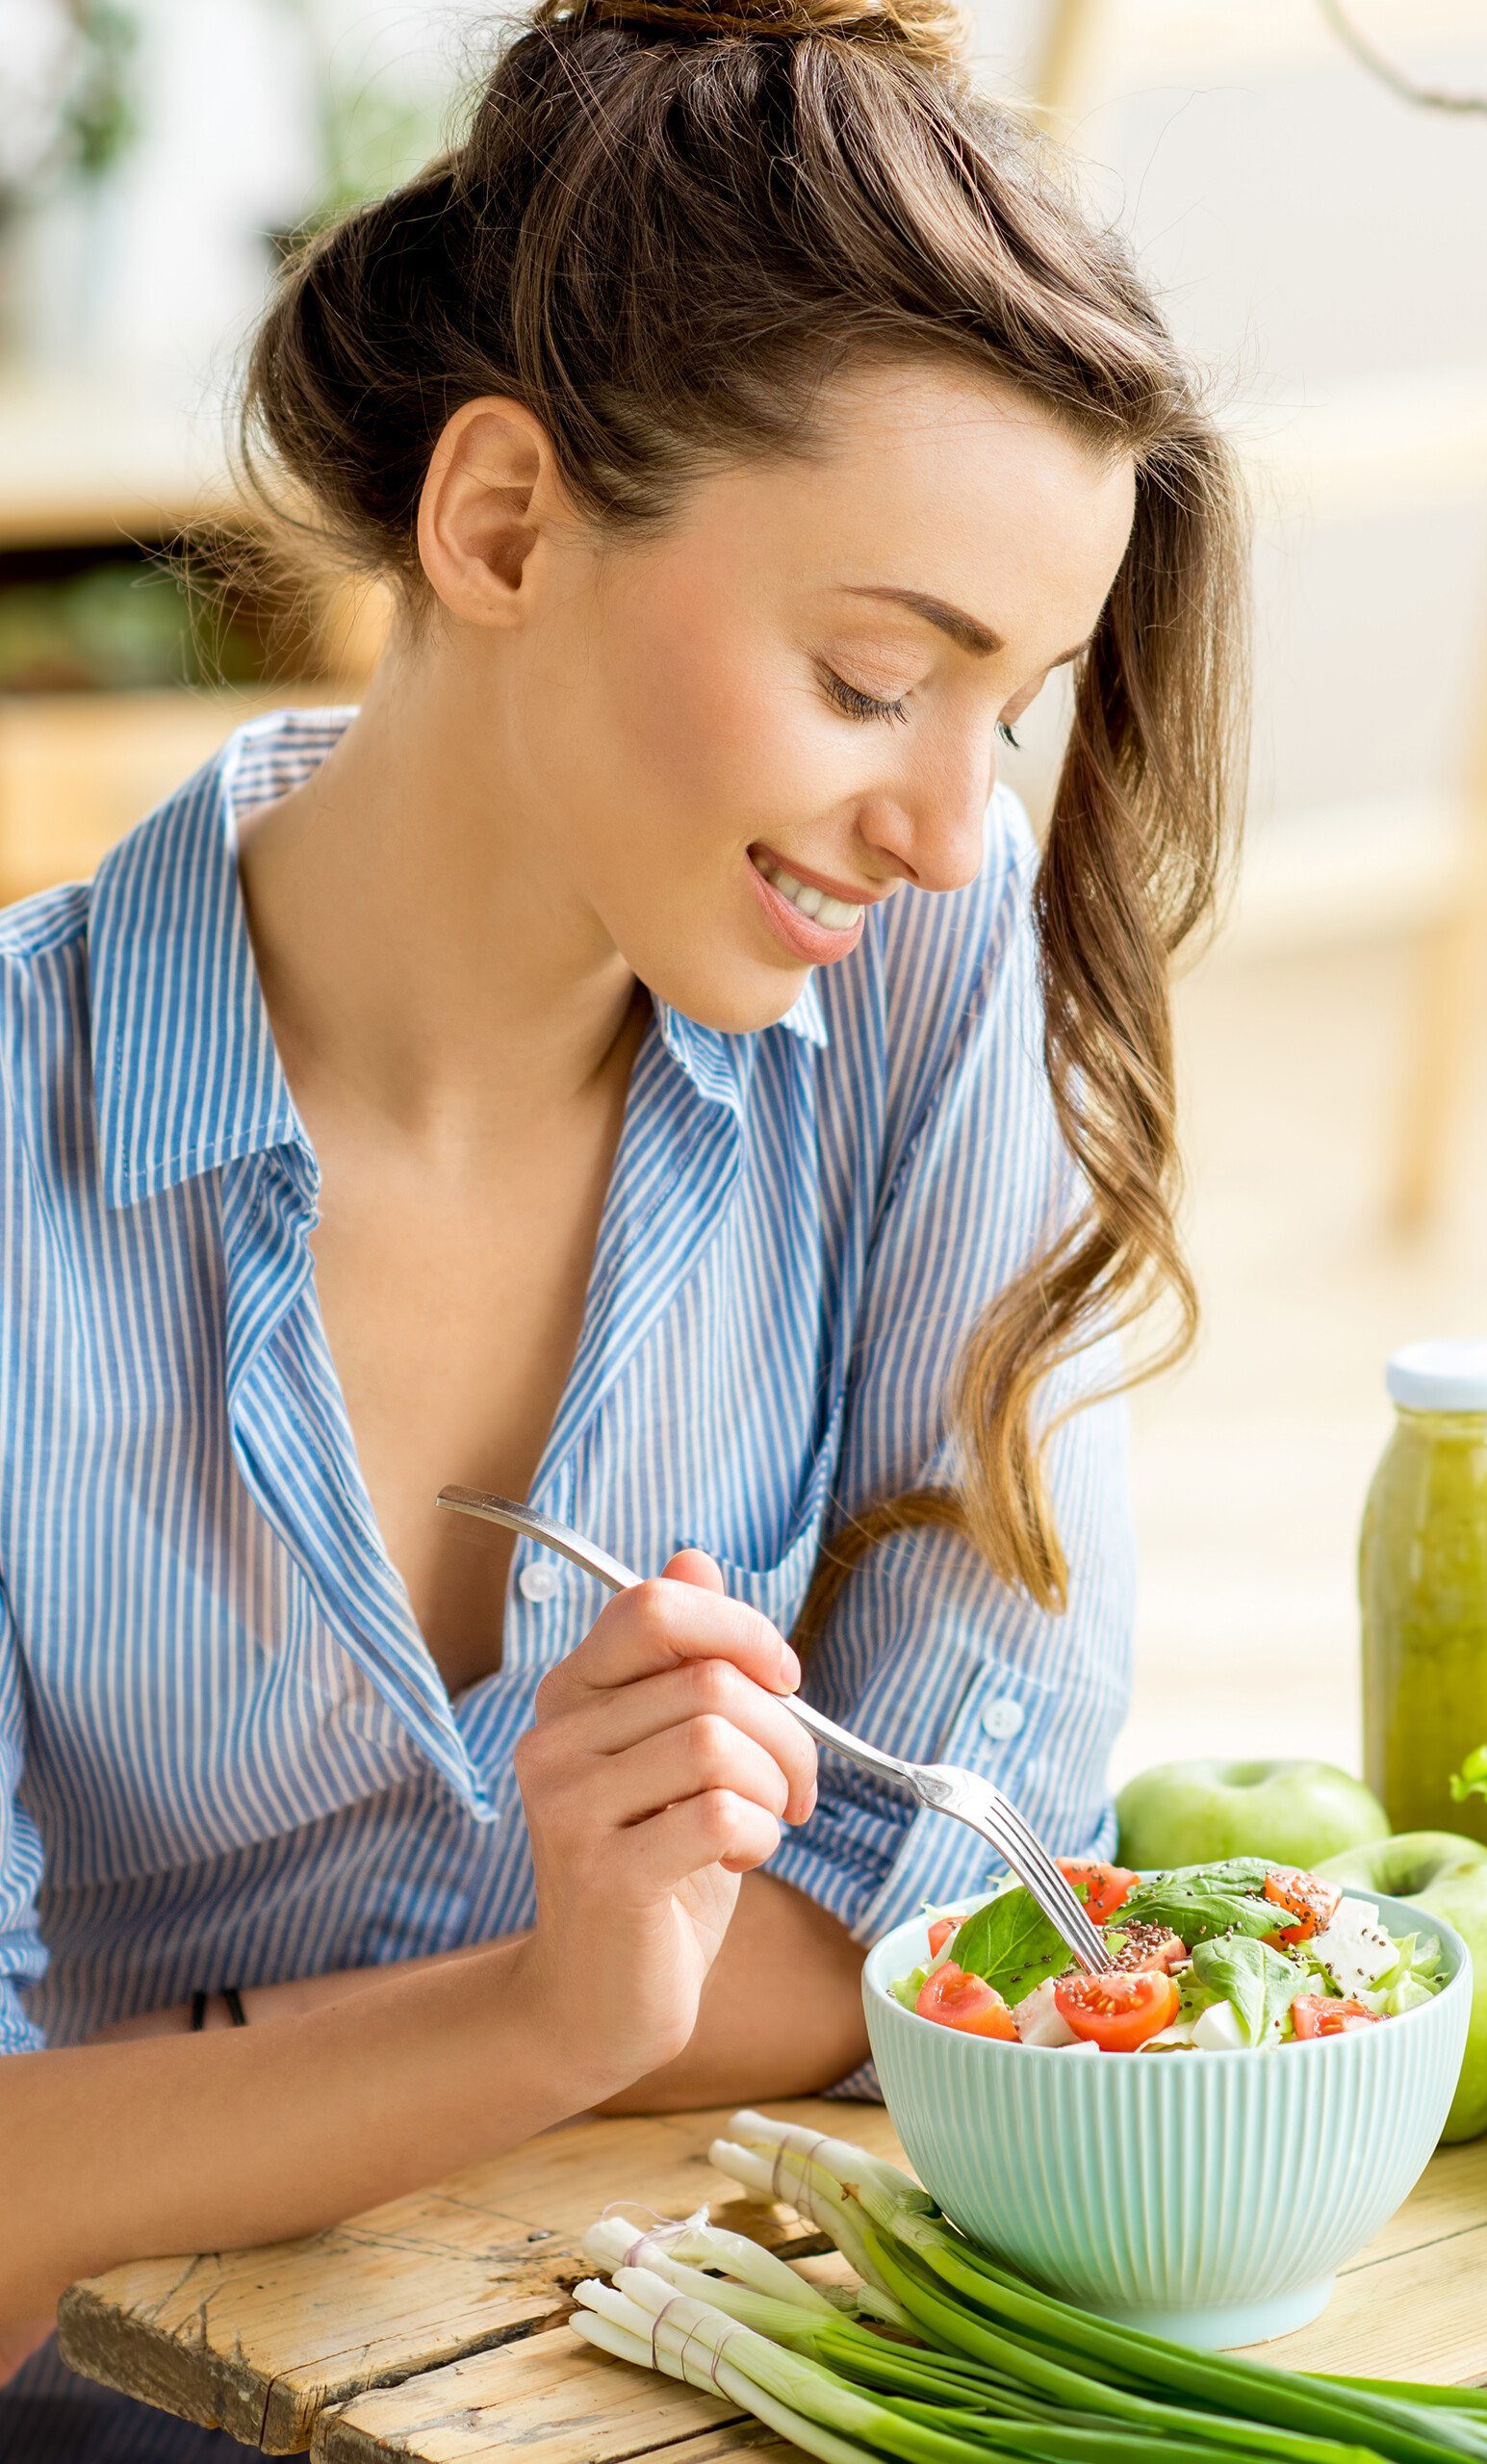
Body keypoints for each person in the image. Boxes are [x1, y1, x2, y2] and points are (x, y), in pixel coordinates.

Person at [0, 2, 1244, 2451]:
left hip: (663, 2321)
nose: (951, 823)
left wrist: (188, 2087)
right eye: (873, 674)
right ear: (499, 524)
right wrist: (568, 2005)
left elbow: (991, 1877)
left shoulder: (908, 975)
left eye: (1006, 707)